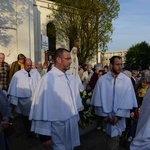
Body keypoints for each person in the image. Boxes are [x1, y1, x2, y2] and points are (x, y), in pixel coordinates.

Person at [29, 48, 83, 150]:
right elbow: (42, 108)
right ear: (58, 59)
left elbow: (73, 101)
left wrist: (77, 118)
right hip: (57, 127)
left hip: (70, 124)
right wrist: (45, 137)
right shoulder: (47, 80)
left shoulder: (70, 77)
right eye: (67, 59)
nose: (70, 61)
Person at [91, 56, 137, 150]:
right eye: (117, 64)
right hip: (106, 117)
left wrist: (118, 116)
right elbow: (98, 99)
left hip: (119, 117)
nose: (120, 67)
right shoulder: (102, 80)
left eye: (121, 64)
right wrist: (105, 116)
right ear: (111, 65)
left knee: (114, 140)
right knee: (110, 139)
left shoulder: (126, 81)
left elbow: (127, 99)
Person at [8, 58, 41, 137]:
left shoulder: (35, 73)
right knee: (26, 118)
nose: (29, 67)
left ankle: (35, 131)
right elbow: (13, 88)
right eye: (27, 65)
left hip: (34, 99)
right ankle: (29, 133)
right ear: (24, 65)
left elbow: (40, 84)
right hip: (24, 100)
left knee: (35, 116)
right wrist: (13, 101)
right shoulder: (18, 74)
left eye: (30, 65)